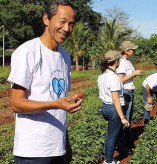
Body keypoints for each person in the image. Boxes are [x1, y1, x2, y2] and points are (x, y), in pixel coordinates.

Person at [7, 1, 82, 163]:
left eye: (71, 24)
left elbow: (59, 107)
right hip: (33, 152)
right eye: (62, 22)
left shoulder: (65, 57)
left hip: (57, 149)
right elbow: (16, 103)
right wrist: (55, 104)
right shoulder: (28, 52)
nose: (67, 29)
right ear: (46, 19)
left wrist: (66, 145)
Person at [98, 50, 130, 164]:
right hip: (113, 109)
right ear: (116, 61)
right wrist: (122, 117)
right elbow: (115, 98)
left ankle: (110, 158)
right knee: (112, 136)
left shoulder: (101, 75)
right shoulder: (114, 77)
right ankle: (109, 161)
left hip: (105, 107)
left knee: (113, 133)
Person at [116, 41, 142, 152]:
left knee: (129, 118)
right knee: (125, 118)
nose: (134, 51)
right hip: (126, 92)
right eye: (132, 49)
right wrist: (134, 74)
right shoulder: (122, 62)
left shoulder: (128, 61)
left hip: (130, 92)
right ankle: (122, 145)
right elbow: (120, 80)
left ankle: (127, 141)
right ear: (127, 51)